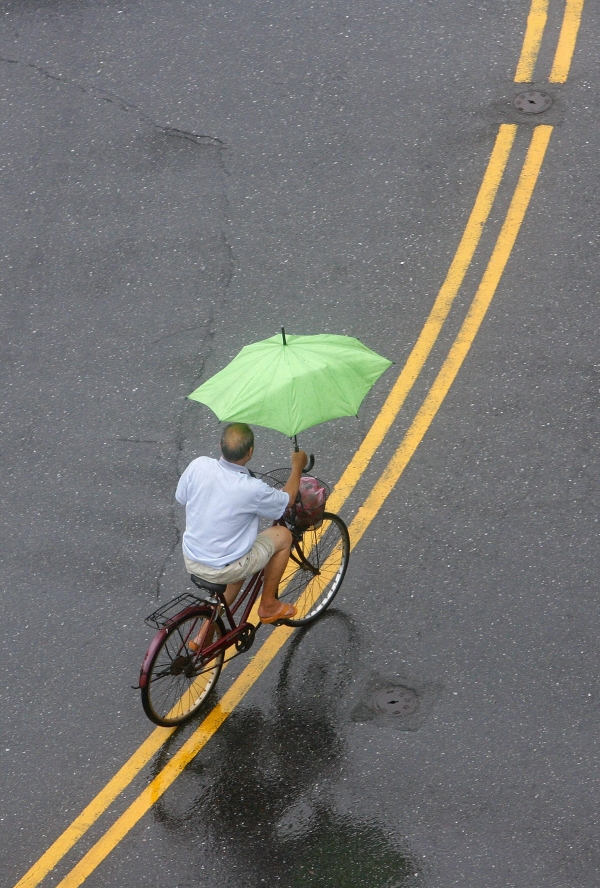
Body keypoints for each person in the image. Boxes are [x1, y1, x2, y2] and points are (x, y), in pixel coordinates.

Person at [175, 422, 307, 625]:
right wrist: (297, 466)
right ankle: (269, 604)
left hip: (193, 557)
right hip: (224, 566)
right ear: (250, 452)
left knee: (239, 564)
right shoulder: (251, 489)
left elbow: (181, 497)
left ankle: (203, 636)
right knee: (283, 535)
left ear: (220, 445)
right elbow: (287, 500)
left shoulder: (198, 465)